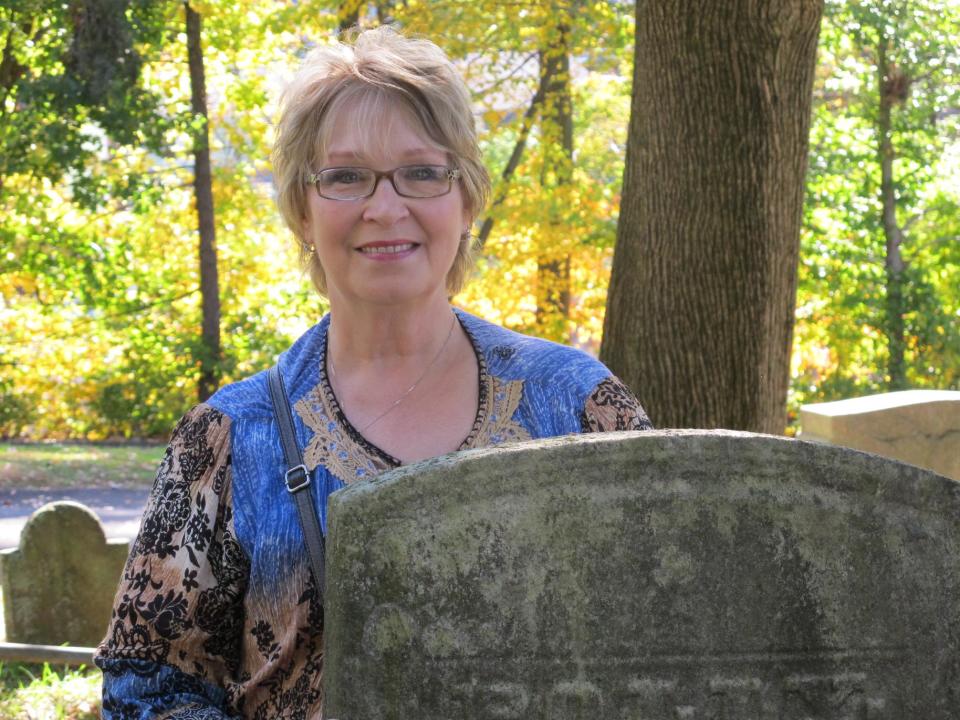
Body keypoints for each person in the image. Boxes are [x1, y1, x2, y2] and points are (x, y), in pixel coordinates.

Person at [95, 25, 652, 719]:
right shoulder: (227, 441)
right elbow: (147, 688)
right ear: (302, 208)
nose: (386, 208)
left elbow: (667, 648)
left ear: (467, 198)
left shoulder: (578, 407)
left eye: (422, 172)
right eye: (347, 176)